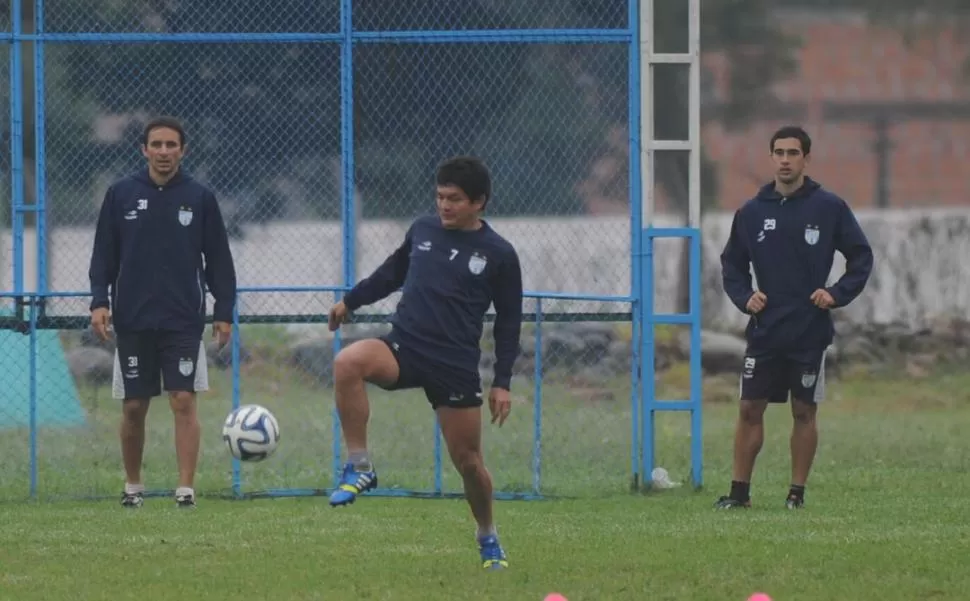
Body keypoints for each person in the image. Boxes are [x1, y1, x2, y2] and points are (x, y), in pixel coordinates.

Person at [326, 156, 523, 570]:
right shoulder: (423, 230)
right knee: (348, 362)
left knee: (469, 463)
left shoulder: (499, 254)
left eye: (454, 199)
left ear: (479, 202)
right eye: (439, 197)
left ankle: (487, 535)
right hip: (405, 346)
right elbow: (390, 274)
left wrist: (502, 382)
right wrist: (350, 301)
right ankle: (360, 466)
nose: (444, 206)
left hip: (454, 365)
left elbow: (508, 322)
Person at [716, 125, 873, 510]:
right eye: (779, 153)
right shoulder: (752, 213)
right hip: (766, 330)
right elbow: (732, 265)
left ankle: (795, 494)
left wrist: (835, 293)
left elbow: (861, 257)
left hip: (809, 330)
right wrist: (745, 297)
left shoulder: (829, 207)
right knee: (749, 408)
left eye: (792, 153)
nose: (785, 160)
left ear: (806, 158)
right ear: (771, 158)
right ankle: (739, 494)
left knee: (803, 410)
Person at [88, 116, 237, 509]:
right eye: (157, 144)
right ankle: (133, 486)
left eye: (172, 145)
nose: (165, 152)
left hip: (182, 318)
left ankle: (185, 490)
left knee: (182, 400)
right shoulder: (120, 194)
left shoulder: (200, 197)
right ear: (144, 149)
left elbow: (219, 259)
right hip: (133, 318)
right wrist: (99, 301)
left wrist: (224, 310)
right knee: (134, 405)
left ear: (183, 151)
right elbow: (104, 254)